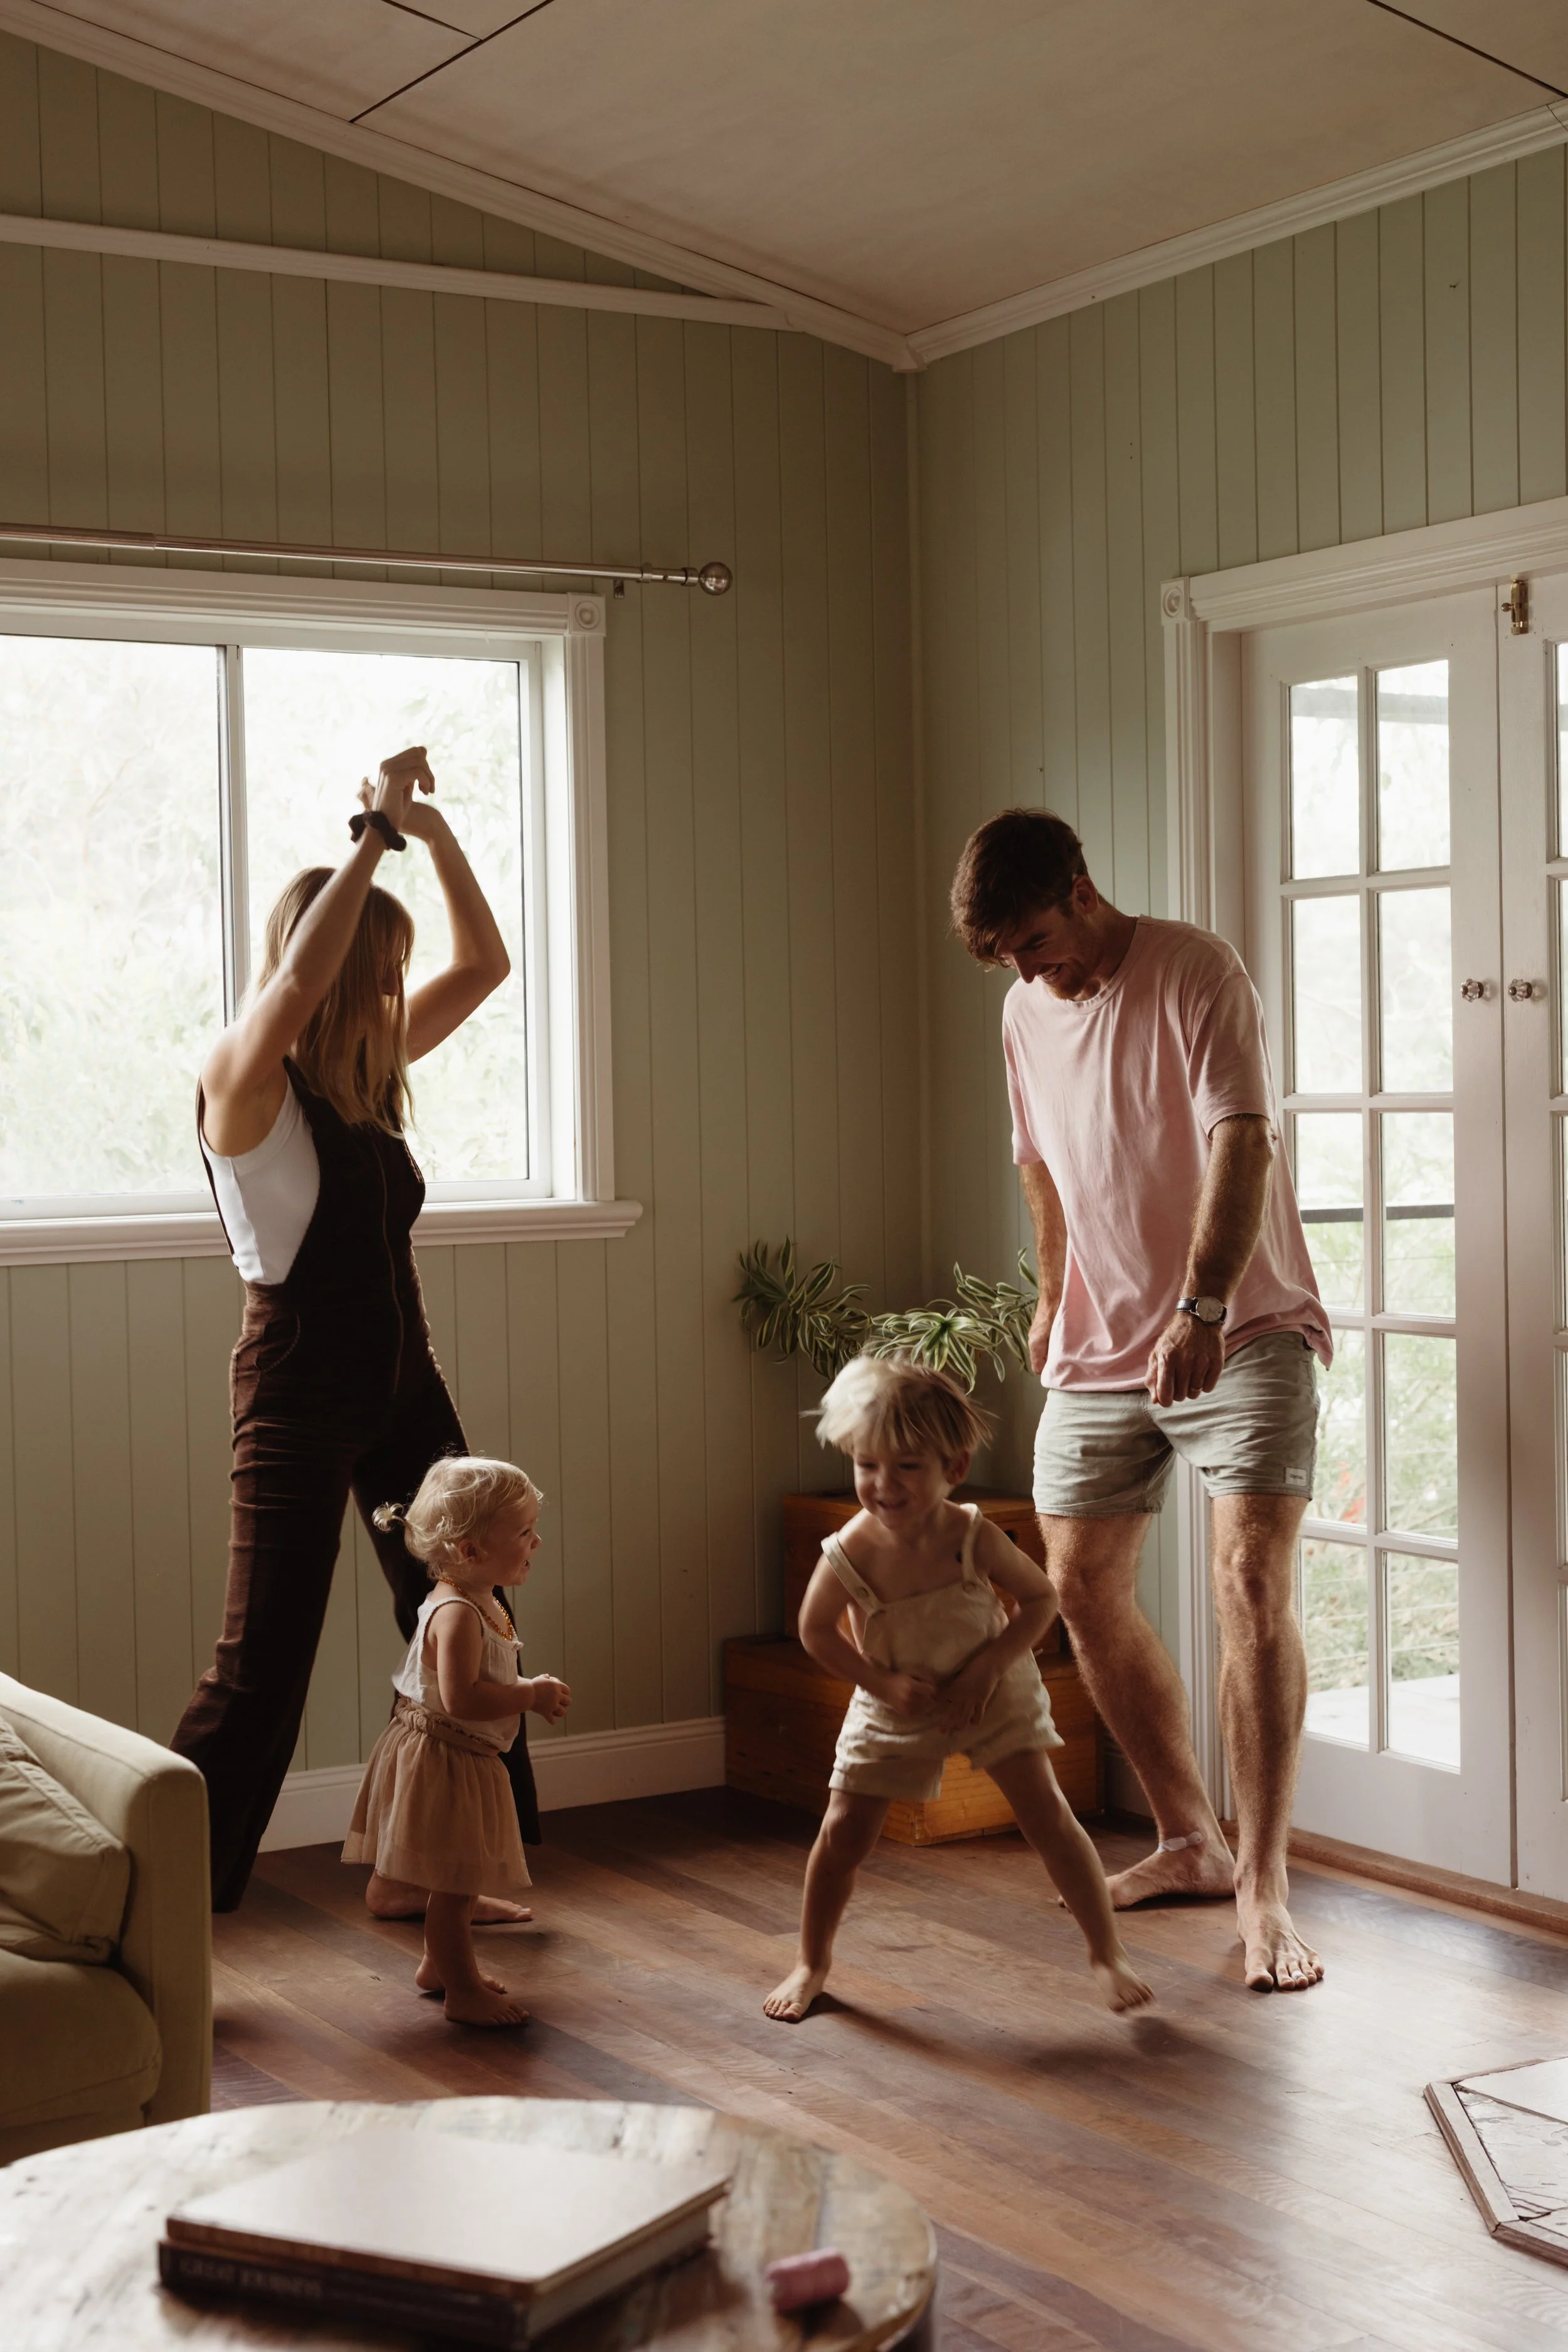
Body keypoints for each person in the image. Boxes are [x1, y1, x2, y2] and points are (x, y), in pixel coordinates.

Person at [949, 807, 1332, 1993]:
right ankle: (1189, 1839)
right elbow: (1038, 1159)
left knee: (1250, 1584)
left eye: (1036, 940)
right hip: (1097, 1344)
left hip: (1239, 1323)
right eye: (1008, 954)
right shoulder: (1023, 1009)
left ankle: (1265, 1886)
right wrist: (1052, 1293)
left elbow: (1243, 1140)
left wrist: (1203, 1308)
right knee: (1077, 1583)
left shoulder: (1193, 969)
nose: (1028, 968)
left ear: (1081, 886)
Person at [172, 746, 541, 1915]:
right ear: (322, 967)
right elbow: (287, 994)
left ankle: (444, 1870)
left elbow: (487, 962)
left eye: (395, 973)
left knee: (474, 1617)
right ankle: (161, 1892)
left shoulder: (369, 1077)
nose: (392, 995)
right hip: (293, 1391)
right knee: (262, 1662)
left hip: (402, 1386)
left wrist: (429, 840)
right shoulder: (246, 1081)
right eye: (376, 972)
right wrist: (372, 835)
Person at [764, 1354, 1153, 2024]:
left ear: (955, 1467)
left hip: (990, 1690)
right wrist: (880, 1683)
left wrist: (985, 1669)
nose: (883, 1485)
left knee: (1049, 1819)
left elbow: (1039, 1600)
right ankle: (811, 1962)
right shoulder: (849, 1550)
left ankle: (1105, 1954)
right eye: (867, 1465)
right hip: (893, 1698)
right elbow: (816, 1633)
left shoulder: (970, 1535)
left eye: (907, 1466)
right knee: (841, 1834)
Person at [342, 1456, 569, 2026]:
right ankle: (462, 1989)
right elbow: (464, 1697)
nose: (536, 1541)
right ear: (470, 1551)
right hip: (443, 1755)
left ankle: (437, 1968)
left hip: (463, 1753)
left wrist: (522, 1689)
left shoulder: (482, 1598)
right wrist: (530, 1694)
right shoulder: (459, 1613)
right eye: (523, 1533)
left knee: (460, 1876)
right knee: (453, 1885)